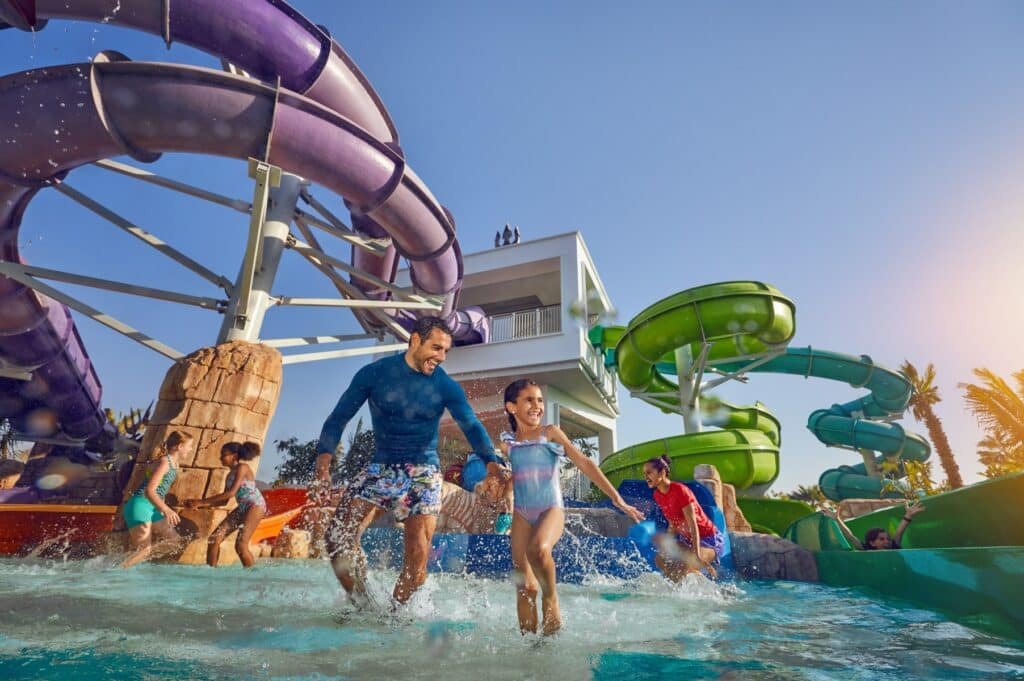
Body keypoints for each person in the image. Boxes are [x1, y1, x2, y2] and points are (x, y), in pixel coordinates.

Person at [316, 317, 510, 608]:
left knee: (417, 565)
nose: (441, 357)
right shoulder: (374, 374)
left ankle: (394, 616)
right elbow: (338, 417)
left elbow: (470, 425)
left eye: (445, 351)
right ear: (415, 340)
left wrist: (492, 464)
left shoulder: (445, 386)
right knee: (336, 538)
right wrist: (323, 463)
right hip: (381, 467)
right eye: (436, 348)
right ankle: (364, 603)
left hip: (423, 470)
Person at [501, 378, 644, 636]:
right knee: (525, 587)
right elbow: (518, 473)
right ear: (512, 407)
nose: (537, 405)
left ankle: (552, 597)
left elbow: (584, 462)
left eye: (540, 400)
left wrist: (616, 498)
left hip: (550, 509)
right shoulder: (507, 443)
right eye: (529, 400)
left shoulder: (550, 432)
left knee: (539, 549)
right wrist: (505, 491)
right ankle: (529, 650)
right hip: (521, 514)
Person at [642, 454, 724, 581]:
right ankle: (676, 589)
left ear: (662, 472)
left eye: (649, 472)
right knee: (660, 559)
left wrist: (697, 554)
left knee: (684, 566)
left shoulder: (680, 490)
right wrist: (666, 546)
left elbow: (693, 525)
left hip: (709, 540)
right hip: (688, 541)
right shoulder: (658, 495)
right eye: (644, 474)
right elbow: (672, 524)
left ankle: (712, 589)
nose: (646, 477)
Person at [184, 442, 266, 567]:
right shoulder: (229, 476)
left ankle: (252, 578)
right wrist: (199, 505)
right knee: (214, 539)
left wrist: (200, 502)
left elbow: (231, 493)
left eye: (223, 455)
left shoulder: (242, 467)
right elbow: (224, 501)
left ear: (234, 456)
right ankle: (211, 574)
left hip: (255, 506)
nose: (221, 458)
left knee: (240, 545)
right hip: (242, 508)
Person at [120, 430, 193, 568]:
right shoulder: (165, 462)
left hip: (152, 508)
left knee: (176, 542)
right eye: (189, 446)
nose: (190, 449)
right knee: (144, 550)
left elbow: (160, 490)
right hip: (141, 505)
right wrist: (166, 509)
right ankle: (116, 573)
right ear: (180, 446)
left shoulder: (172, 463)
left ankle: (137, 560)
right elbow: (149, 490)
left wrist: (162, 508)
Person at [825, 500, 925, 550]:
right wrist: (838, 519)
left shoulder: (894, 547)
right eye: (881, 539)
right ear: (872, 543)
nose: (887, 541)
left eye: (888, 539)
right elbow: (850, 536)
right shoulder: (868, 550)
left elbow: (899, 531)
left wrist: (908, 515)